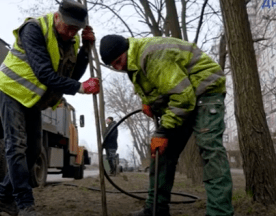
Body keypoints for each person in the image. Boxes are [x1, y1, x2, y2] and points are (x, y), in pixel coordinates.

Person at [99, 35, 234, 216]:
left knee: (210, 149)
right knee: (161, 153)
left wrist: (162, 133)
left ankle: (220, 213)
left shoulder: (150, 56)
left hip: (205, 90)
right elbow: (165, 86)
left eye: (118, 61)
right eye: (112, 65)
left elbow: (183, 96)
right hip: (185, 95)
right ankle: (156, 208)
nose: (118, 67)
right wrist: (149, 102)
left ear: (126, 50)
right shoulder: (134, 61)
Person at [0, 0, 99, 216]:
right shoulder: (33, 29)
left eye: (76, 30)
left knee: (33, 150)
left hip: (32, 98)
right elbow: (45, 74)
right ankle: (25, 206)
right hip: (11, 90)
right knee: (17, 146)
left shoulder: (72, 40)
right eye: (68, 28)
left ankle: (3, 198)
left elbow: (72, 74)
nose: (71, 33)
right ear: (57, 17)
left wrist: (86, 50)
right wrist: (81, 88)